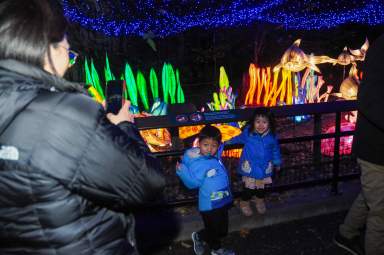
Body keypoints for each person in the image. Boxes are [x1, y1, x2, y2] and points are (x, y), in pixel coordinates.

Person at [0, 1, 165, 254]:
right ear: (47, 50)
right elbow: (147, 181)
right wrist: (123, 127)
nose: (70, 62)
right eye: (69, 51)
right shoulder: (63, 114)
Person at [334, 34, 384, 255]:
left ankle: (346, 233)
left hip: (376, 148)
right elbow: (369, 99)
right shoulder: (381, 48)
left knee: (371, 195)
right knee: (381, 212)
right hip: (375, 149)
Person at [177, 125, 234, 255]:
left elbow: (217, 151)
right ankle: (216, 250)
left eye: (214, 145)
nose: (209, 149)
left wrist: (223, 142)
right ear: (199, 143)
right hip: (209, 204)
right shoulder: (198, 163)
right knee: (214, 230)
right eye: (206, 145)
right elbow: (192, 183)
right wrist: (182, 171)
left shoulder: (213, 156)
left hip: (222, 200)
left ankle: (199, 236)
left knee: (222, 230)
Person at [225, 108, 281, 216]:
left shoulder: (272, 136)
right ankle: (244, 203)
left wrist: (277, 162)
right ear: (253, 122)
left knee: (261, 188)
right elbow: (239, 138)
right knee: (248, 189)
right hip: (250, 167)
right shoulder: (248, 133)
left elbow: (275, 150)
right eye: (258, 122)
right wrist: (229, 141)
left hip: (264, 167)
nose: (260, 125)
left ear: (270, 123)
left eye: (264, 122)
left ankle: (259, 200)